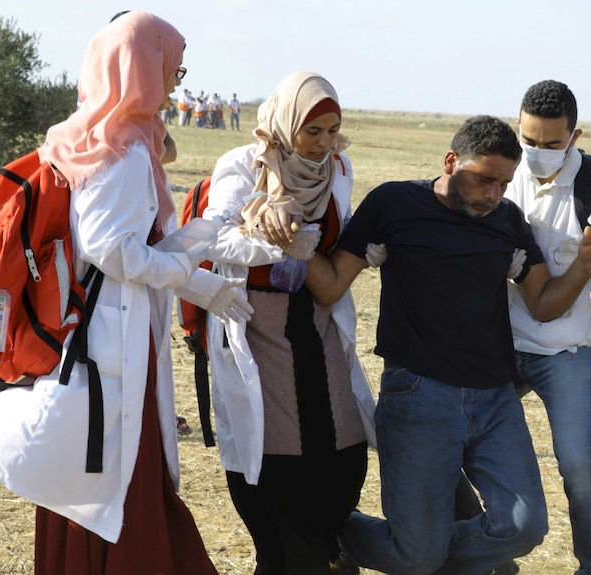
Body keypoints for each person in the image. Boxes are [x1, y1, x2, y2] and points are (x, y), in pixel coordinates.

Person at [258, 114, 591, 574]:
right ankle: (327, 531)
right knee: (417, 555)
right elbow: (330, 287)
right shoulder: (393, 203)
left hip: (495, 401)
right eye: (484, 179)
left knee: (524, 528)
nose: (494, 195)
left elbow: (544, 304)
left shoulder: (507, 220)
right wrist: (295, 245)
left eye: (504, 184)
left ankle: (416, 559)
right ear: (451, 162)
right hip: (419, 397)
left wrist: (584, 269)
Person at [0, 11, 253, 574]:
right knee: (119, 483)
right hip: (111, 342)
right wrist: (197, 281)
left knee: (95, 480)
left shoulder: (89, 135)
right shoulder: (123, 150)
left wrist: (213, 239)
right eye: (171, 67)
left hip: (98, 334)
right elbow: (114, 249)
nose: (175, 81)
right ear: (144, 67)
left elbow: (135, 242)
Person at [203, 71, 377, 575]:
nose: (324, 144)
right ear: (285, 124)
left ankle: (323, 553)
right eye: (312, 131)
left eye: (332, 130)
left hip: (319, 328)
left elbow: (339, 237)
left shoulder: (339, 169)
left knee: (343, 454)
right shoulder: (241, 164)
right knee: (274, 466)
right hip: (257, 328)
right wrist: (272, 238)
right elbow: (214, 240)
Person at [502, 79, 591, 575]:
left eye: (552, 144)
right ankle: (491, 555)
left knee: (582, 469)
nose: (538, 154)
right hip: (497, 345)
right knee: (459, 446)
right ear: (517, 129)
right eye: (529, 141)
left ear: (574, 136)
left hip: (564, 349)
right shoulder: (503, 171)